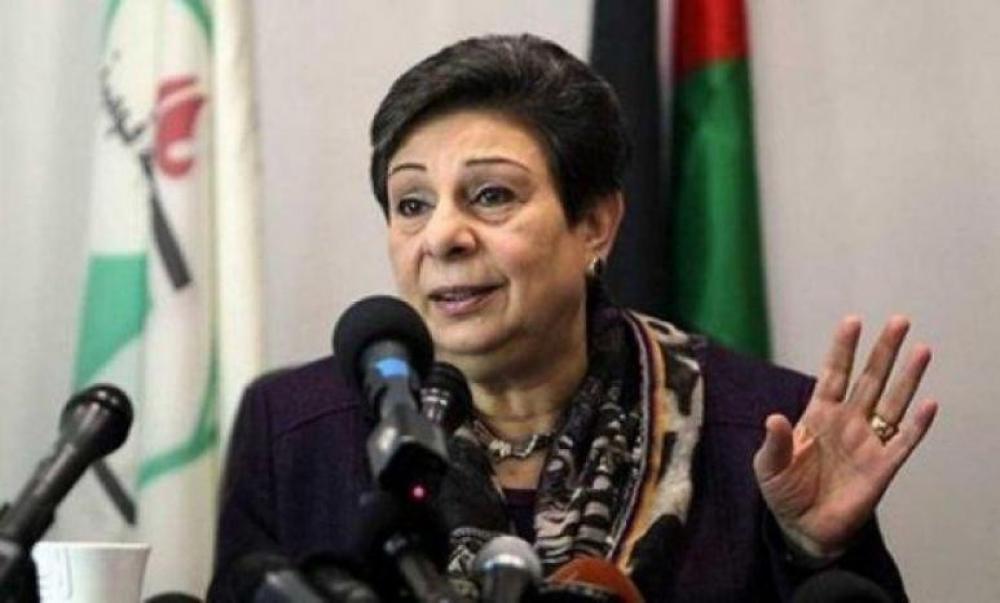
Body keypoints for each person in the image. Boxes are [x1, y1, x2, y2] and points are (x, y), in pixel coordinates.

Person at [208, 34, 937, 601]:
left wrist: (815, 550)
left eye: (491, 195)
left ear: (594, 225)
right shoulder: (292, 430)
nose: (442, 237)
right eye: (412, 203)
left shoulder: (766, 430)